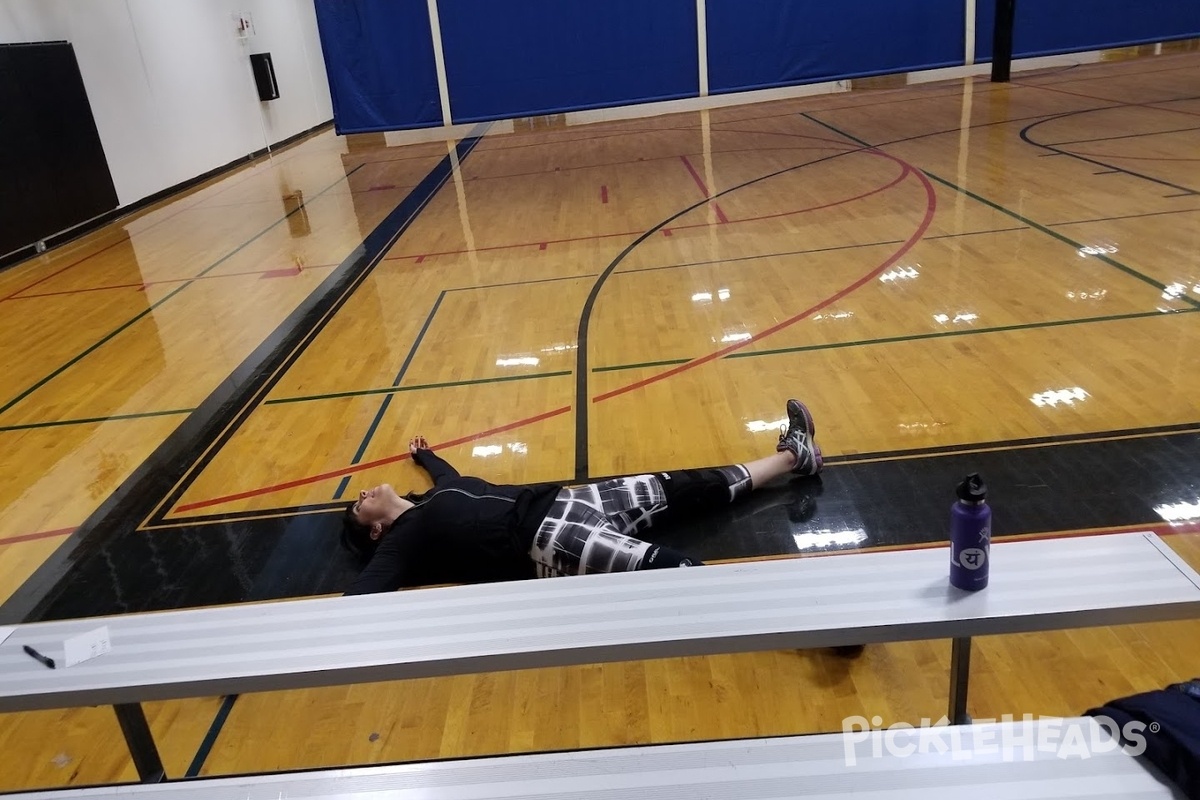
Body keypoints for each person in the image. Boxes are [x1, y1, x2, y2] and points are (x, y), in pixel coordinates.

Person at [341, 399, 823, 595]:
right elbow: (362, 596)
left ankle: (793, 457)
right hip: (554, 541)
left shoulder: (435, 497)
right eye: (360, 506)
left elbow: (448, 475)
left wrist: (426, 456)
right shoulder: (402, 542)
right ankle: (814, 625)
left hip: (573, 500)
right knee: (680, 573)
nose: (363, 493)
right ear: (376, 530)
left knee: (693, 487)